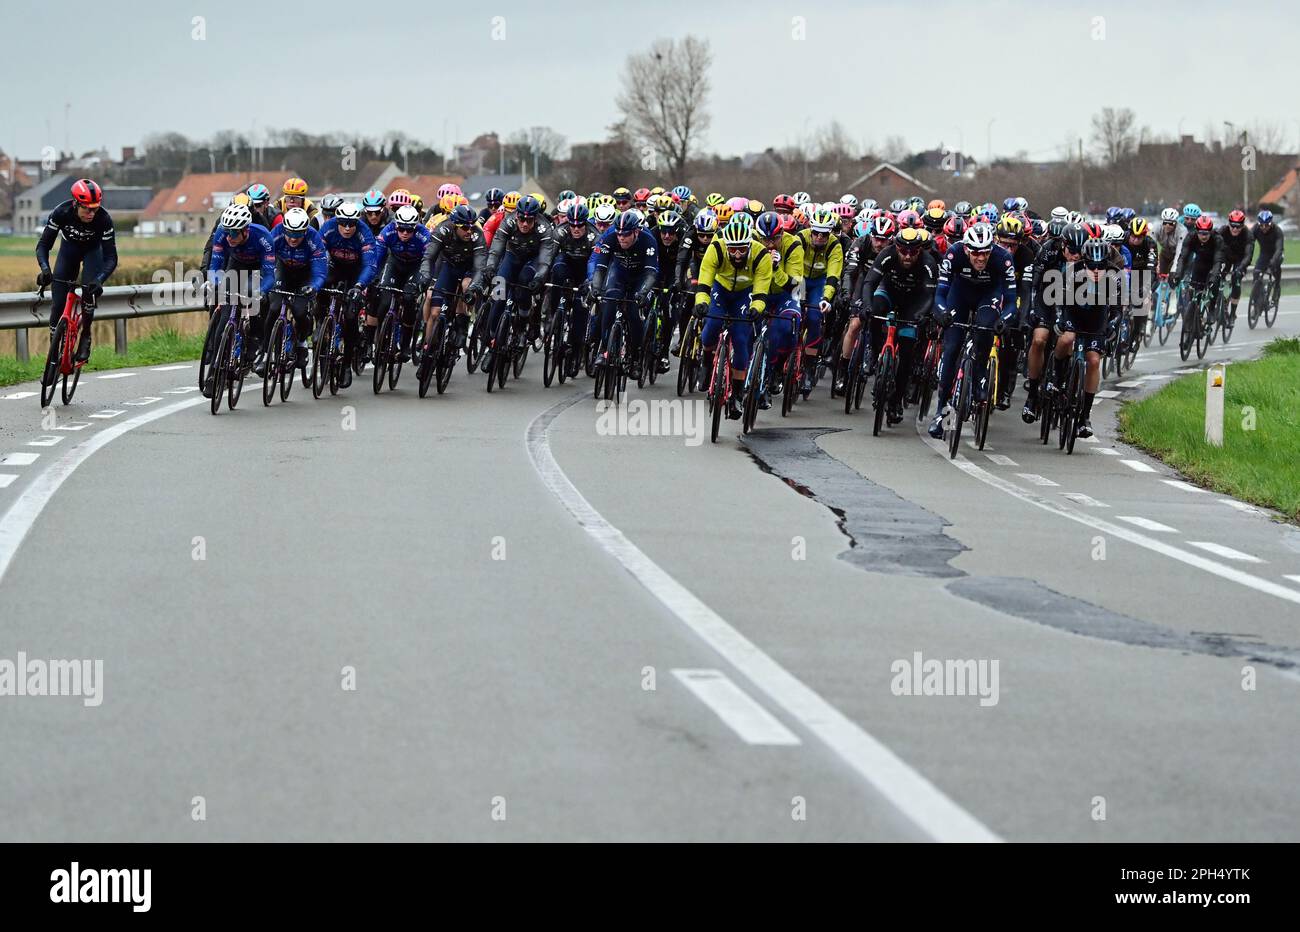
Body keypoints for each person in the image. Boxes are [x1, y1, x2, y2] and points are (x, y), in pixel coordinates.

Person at [927, 222, 1017, 440]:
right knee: (951, 349)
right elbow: (940, 294)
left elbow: (1012, 302)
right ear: (966, 249)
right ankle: (942, 413)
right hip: (960, 295)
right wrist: (941, 313)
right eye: (976, 253)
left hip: (989, 296)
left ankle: (978, 380)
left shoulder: (1002, 258)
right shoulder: (954, 253)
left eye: (985, 253)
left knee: (986, 329)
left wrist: (1004, 320)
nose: (980, 258)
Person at [843, 226, 937, 424]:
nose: (908, 256)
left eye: (913, 252)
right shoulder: (887, 254)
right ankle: (877, 353)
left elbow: (929, 295)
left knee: (906, 353)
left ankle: (895, 402)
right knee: (874, 313)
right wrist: (867, 307)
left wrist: (922, 314)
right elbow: (869, 282)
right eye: (903, 251)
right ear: (897, 247)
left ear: (919, 250)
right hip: (888, 292)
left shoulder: (928, 263)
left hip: (913, 302)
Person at [693, 218, 771, 420]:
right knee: (712, 325)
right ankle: (707, 362)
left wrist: (757, 308)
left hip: (744, 294)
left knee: (741, 339)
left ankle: (736, 393)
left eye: (742, 250)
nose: (737, 255)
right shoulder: (716, 249)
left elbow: (762, 289)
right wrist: (701, 302)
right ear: (726, 246)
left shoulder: (761, 254)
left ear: (749, 246)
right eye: (733, 250)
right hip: (721, 289)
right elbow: (705, 280)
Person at [35, 178, 118, 363]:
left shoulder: (104, 219)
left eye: (95, 208)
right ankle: (54, 351)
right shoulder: (61, 212)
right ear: (76, 203)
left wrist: (100, 279)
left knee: (89, 291)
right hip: (68, 251)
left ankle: (86, 335)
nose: (91, 213)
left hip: (92, 252)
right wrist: (45, 269)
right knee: (58, 303)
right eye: (87, 208)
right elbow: (43, 245)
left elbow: (111, 258)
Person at [203, 202, 275, 394]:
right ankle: (214, 371)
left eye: (234, 233)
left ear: (245, 230)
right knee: (224, 319)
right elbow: (216, 264)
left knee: (252, 297)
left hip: (258, 269)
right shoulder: (222, 233)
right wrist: (213, 282)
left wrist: (262, 292)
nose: (229, 237)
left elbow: (269, 275)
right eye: (227, 232)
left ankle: (255, 340)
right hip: (236, 265)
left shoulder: (263, 238)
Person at [415, 203, 489, 356]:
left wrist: (473, 288)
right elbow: (429, 258)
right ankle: (428, 348)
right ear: (455, 225)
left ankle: (462, 323)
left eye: (471, 227)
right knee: (435, 313)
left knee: (467, 285)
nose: (469, 231)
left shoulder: (477, 234)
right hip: (448, 266)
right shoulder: (443, 230)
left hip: (469, 268)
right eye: (464, 228)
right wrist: (425, 277)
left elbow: (480, 267)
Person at [264, 206, 328, 373]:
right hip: (283, 269)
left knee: (300, 312)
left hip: (305, 275)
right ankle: (264, 353)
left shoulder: (313, 238)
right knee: (274, 308)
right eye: (290, 233)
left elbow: (321, 270)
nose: (293, 238)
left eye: (298, 234)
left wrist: (314, 287)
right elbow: (265, 259)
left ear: (305, 232)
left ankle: (301, 342)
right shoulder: (276, 234)